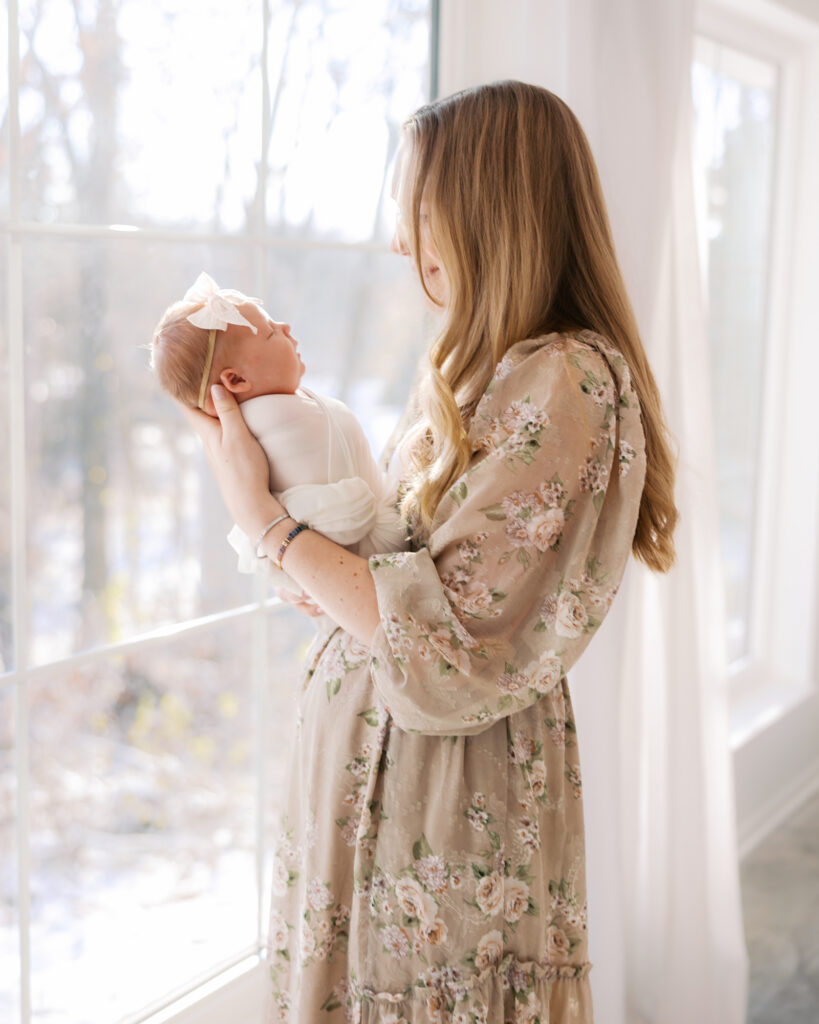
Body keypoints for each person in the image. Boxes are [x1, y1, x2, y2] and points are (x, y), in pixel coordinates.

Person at [178, 81, 678, 1023]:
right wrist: (318, 564)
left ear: (487, 211)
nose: (402, 242)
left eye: (418, 210)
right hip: (382, 770)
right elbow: (407, 571)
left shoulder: (561, 379)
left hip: (447, 788)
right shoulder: (476, 364)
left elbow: (448, 655)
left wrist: (267, 521)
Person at [150, 272, 407, 609]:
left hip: (342, 571)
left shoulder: (254, 425)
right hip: (377, 552)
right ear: (237, 379)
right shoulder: (273, 419)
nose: (285, 327)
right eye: (271, 333)